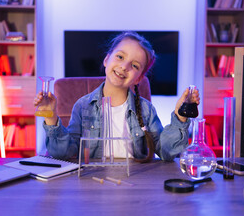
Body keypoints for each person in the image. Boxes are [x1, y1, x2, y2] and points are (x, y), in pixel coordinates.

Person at [33, 31, 200, 162]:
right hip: (92, 185)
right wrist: (51, 117)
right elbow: (64, 153)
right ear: (107, 59)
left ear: (139, 78)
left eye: (134, 65)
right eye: (120, 57)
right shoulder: (82, 106)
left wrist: (181, 116)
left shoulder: (146, 110)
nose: (124, 66)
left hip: (135, 186)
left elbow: (167, 152)